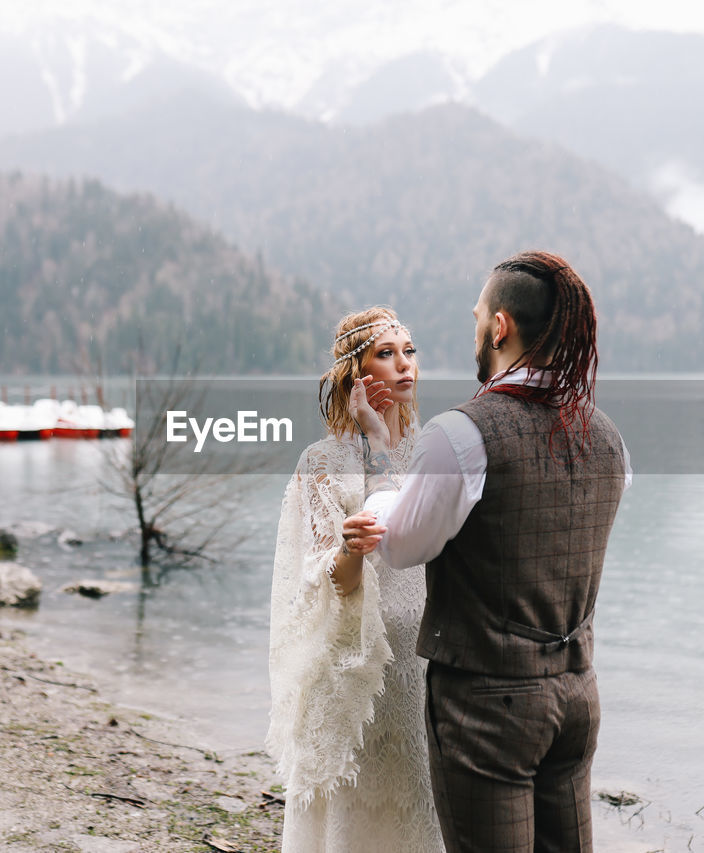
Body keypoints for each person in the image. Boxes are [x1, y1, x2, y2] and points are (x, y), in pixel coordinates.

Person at [343, 251, 630, 853]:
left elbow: (401, 547)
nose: (474, 327)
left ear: (499, 326)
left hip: (488, 703)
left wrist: (384, 484)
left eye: (477, 316)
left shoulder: (462, 434)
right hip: (578, 694)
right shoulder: (609, 437)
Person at [267, 306, 445, 853]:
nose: (403, 365)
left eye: (409, 351)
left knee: (420, 797)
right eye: (385, 354)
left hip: (424, 653)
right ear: (356, 373)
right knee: (356, 810)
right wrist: (350, 548)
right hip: (356, 659)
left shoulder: (436, 451)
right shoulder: (322, 461)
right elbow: (331, 581)